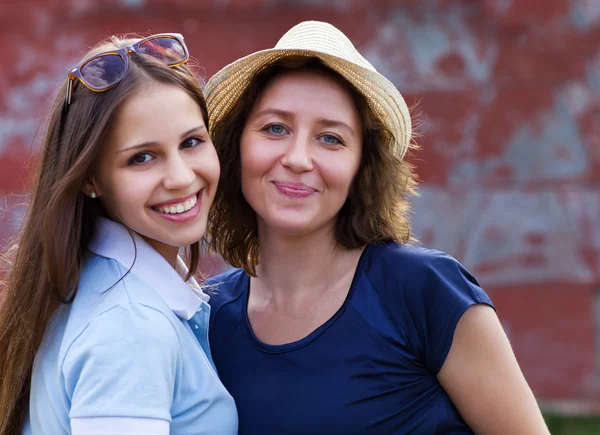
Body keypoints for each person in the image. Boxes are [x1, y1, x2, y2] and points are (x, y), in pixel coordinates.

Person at [204, 21, 549, 434]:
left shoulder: (424, 291)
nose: (297, 158)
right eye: (275, 128)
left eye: (330, 138)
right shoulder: (209, 318)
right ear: (236, 146)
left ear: (361, 168)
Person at [0, 33, 238, 435]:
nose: (181, 177)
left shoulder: (92, 283)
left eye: (192, 142)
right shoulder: (130, 328)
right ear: (90, 178)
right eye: (142, 157)